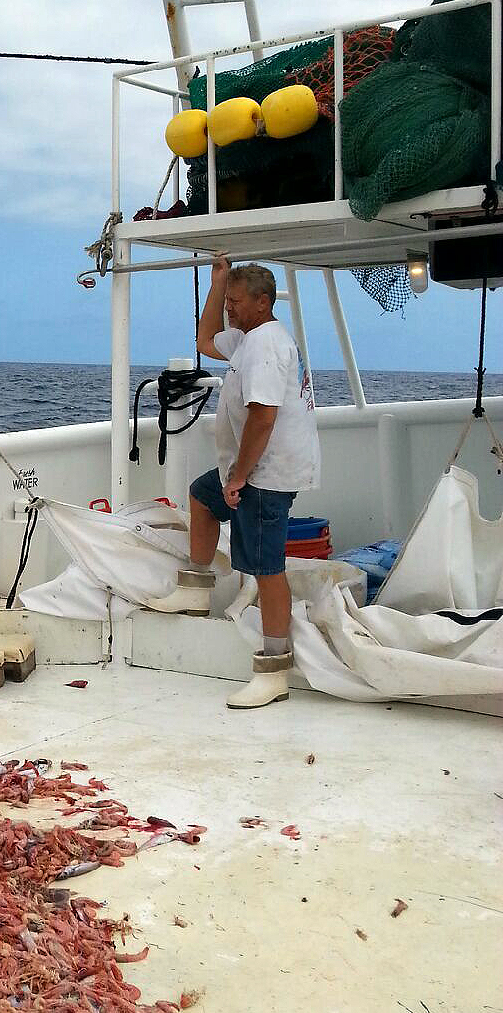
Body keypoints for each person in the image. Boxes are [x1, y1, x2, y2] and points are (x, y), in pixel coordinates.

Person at [148, 257, 321, 708]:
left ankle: (274, 669)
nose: (229, 309)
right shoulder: (250, 338)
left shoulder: (265, 345)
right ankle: (193, 591)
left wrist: (240, 476)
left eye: (236, 302)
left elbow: (263, 418)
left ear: (263, 303)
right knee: (202, 496)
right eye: (228, 301)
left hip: (265, 475)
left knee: (266, 568)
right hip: (251, 470)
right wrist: (218, 282)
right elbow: (206, 341)